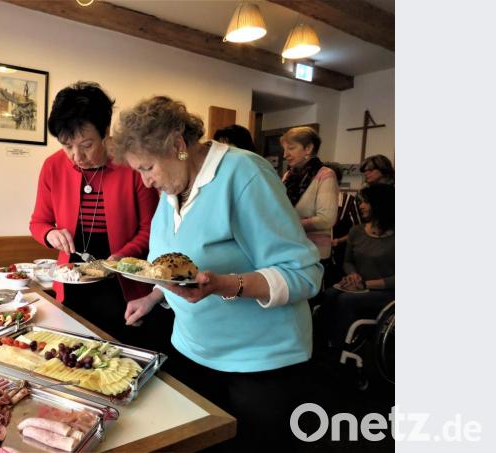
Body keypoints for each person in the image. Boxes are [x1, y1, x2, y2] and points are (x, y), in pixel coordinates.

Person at [111, 96, 323, 451]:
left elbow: (305, 275)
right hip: (192, 350)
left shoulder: (244, 174)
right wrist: (154, 295)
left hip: (257, 362)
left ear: (178, 146)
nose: (145, 182)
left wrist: (226, 285)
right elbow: (179, 264)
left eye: (147, 168)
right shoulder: (174, 185)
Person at [29, 82, 161, 345]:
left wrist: (119, 258)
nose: (76, 156)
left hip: (125, 285)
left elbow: (151, 229)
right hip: (73, 283)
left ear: (105, 133)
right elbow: (38, 223)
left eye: (86, 145)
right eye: (67, 146)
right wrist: (51, 234)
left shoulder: (131, 165)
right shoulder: (53, 166)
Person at [319, 184, 395, 349]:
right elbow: (348, 261)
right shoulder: (356, 231)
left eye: (366, 202)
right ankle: (322, 344)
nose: (360, 206)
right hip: (358, 285)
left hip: (386, 292)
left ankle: (340, 348)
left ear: (380, 204)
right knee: (329, 294)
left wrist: (367, 284)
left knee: (346, 300)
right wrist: (353, 275)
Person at [281, 127, 339, 265]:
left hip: (313, 253)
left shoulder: (325, 174)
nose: (285, 155)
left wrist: (288, 225)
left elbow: (327, 219)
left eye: (291, 148)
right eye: (284, 149)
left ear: (308, 148)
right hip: (289, 248)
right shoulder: (288, 175)